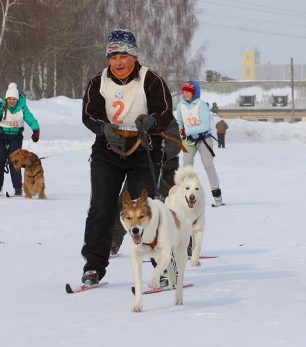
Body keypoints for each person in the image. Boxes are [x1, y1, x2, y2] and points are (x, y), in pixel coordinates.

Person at [79, 28, 174, 285]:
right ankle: (94, 266)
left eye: (123, 55)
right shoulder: (98, 82)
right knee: (101, 206)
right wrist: (104, 128)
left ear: (134, 56)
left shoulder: (150, 80)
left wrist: (152, 120)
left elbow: (165, 112)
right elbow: (89, 114)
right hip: (107, 150)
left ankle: (163, 264)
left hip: (142, 150)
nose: (118, 62)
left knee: (146, 209)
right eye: (113, 56)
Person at [111, 119, 182, 255]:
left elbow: (175, 143)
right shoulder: (135, 118)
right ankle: (114, 239)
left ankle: (183, 242)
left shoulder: (167, 119)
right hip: (140, 168)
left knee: (170, 208)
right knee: (124, 204)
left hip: (165, 169)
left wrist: (161, 155)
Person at [175, 80, 224, 207]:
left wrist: (188, 130)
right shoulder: (180, 105)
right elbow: (180, 121)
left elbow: (206, 125)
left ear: (193, 93)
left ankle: (217, 196)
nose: (184, 94)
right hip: (188, 140)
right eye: (183, 92)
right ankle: (186, 198)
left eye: (187, 92)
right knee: (186, 169)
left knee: (208, 165)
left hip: (204, 139)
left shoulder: (201, 105)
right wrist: (181, 133)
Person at [0, 83, 40, 196]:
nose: (11, 101)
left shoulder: (22, 107)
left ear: (17, 98)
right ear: (6, 98)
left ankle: (17, 187)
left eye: (13, 99)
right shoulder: (1, 106)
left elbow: (31, 119)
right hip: (1, 136)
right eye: (9, 99)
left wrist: (36, 130)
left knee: (15, 161)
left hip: (16, 137)